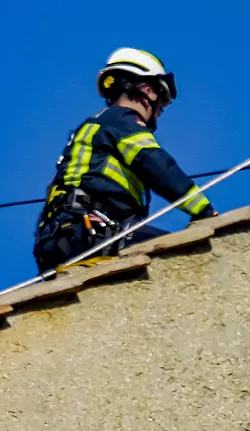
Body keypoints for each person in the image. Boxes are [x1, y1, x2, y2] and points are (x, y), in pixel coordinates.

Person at [33, 47, 218, 273]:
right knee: (187, 261)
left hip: (64, 238)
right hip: (90, 233)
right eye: (163, 100)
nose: (161, 110)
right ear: (148, 90)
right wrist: (204, 211)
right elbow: (156, 165)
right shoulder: (121, 121)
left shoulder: (96, 129)